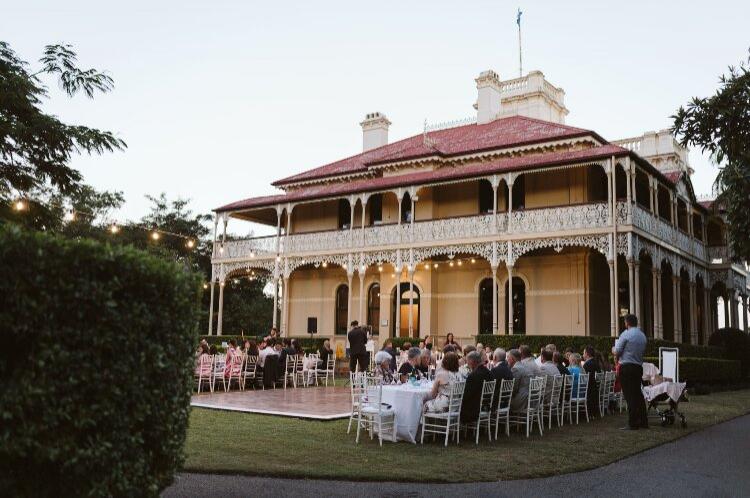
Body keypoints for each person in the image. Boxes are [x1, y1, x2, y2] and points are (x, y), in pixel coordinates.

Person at [614, 314, 648, 430]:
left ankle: (633, 423)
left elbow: (618, 350)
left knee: (629, 396)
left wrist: (613, 350)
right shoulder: (642, 336)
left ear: (627, 323)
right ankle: (644, 421)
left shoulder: (626, 334)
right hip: (638, 367)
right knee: (638, 394)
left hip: (627, 367)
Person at [459, 351, 493, 424]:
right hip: (486, 404)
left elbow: (466, 395)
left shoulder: (473, 376)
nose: (467, 364)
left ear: (472, 361)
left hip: (475, 408)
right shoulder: (488, 372)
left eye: (467, 361)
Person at [509, 346, 541, 412]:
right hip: (531, 399)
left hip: (522, 401)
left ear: (512, 359)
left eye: (508, 357)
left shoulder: (516, 369)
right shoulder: (525, 366)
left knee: (501, 400)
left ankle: (502, 420)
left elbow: (513, 389)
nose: (507, 359)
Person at [583, 345, 602, 414]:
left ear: (587, 354)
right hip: (595, 388)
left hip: (589, 389)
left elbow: (584, 379)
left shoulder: (587, 364)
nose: (583, 355)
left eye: (583, 353)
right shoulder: (596, 363)